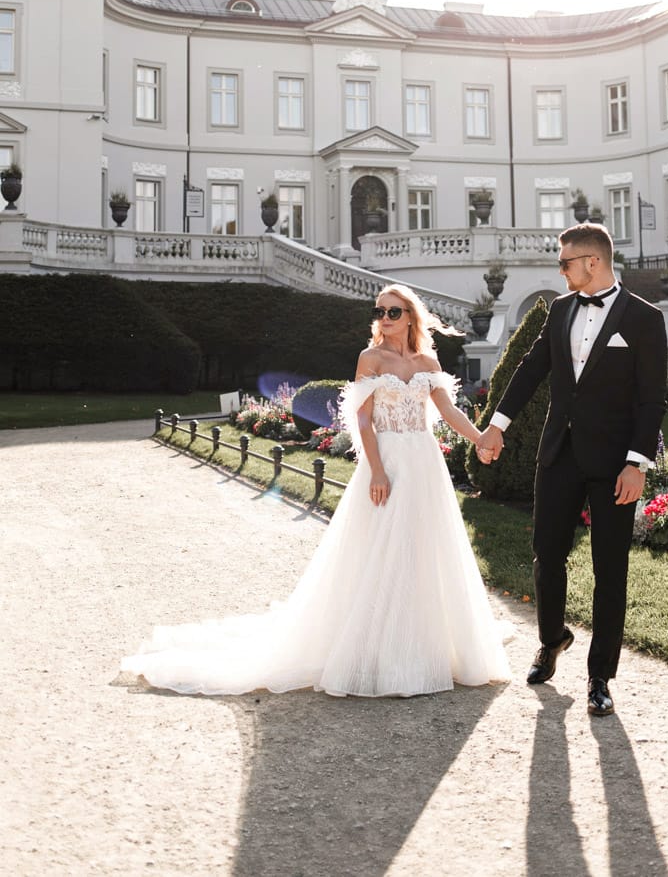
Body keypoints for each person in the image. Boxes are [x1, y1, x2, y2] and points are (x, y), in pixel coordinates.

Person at [121, 284, 511, 697]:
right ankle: (378, 652)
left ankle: (424, 645)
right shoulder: (370, 358)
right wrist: (377, 471)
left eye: (393, 312)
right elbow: (363, 421)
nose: (384, 318)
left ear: (411, 316)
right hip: (388, 459)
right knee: (382, 548)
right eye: (379, 311)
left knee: (423, 547)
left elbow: (447, 411)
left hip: (424, 462)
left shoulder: (427, 361)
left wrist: (480, 439)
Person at [476, 223, 666, 716]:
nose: (560, 270)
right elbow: (530, 370)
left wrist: (637, 464)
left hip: (615, 464)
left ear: (592, 262)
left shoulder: (645, 319)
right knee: (547, 554)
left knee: (610, 569)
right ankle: (551, 639)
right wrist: (496, 426)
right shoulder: (560, 310)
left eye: (564, 263)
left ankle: (600, 676)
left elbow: (651, 400)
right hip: (559, 454)